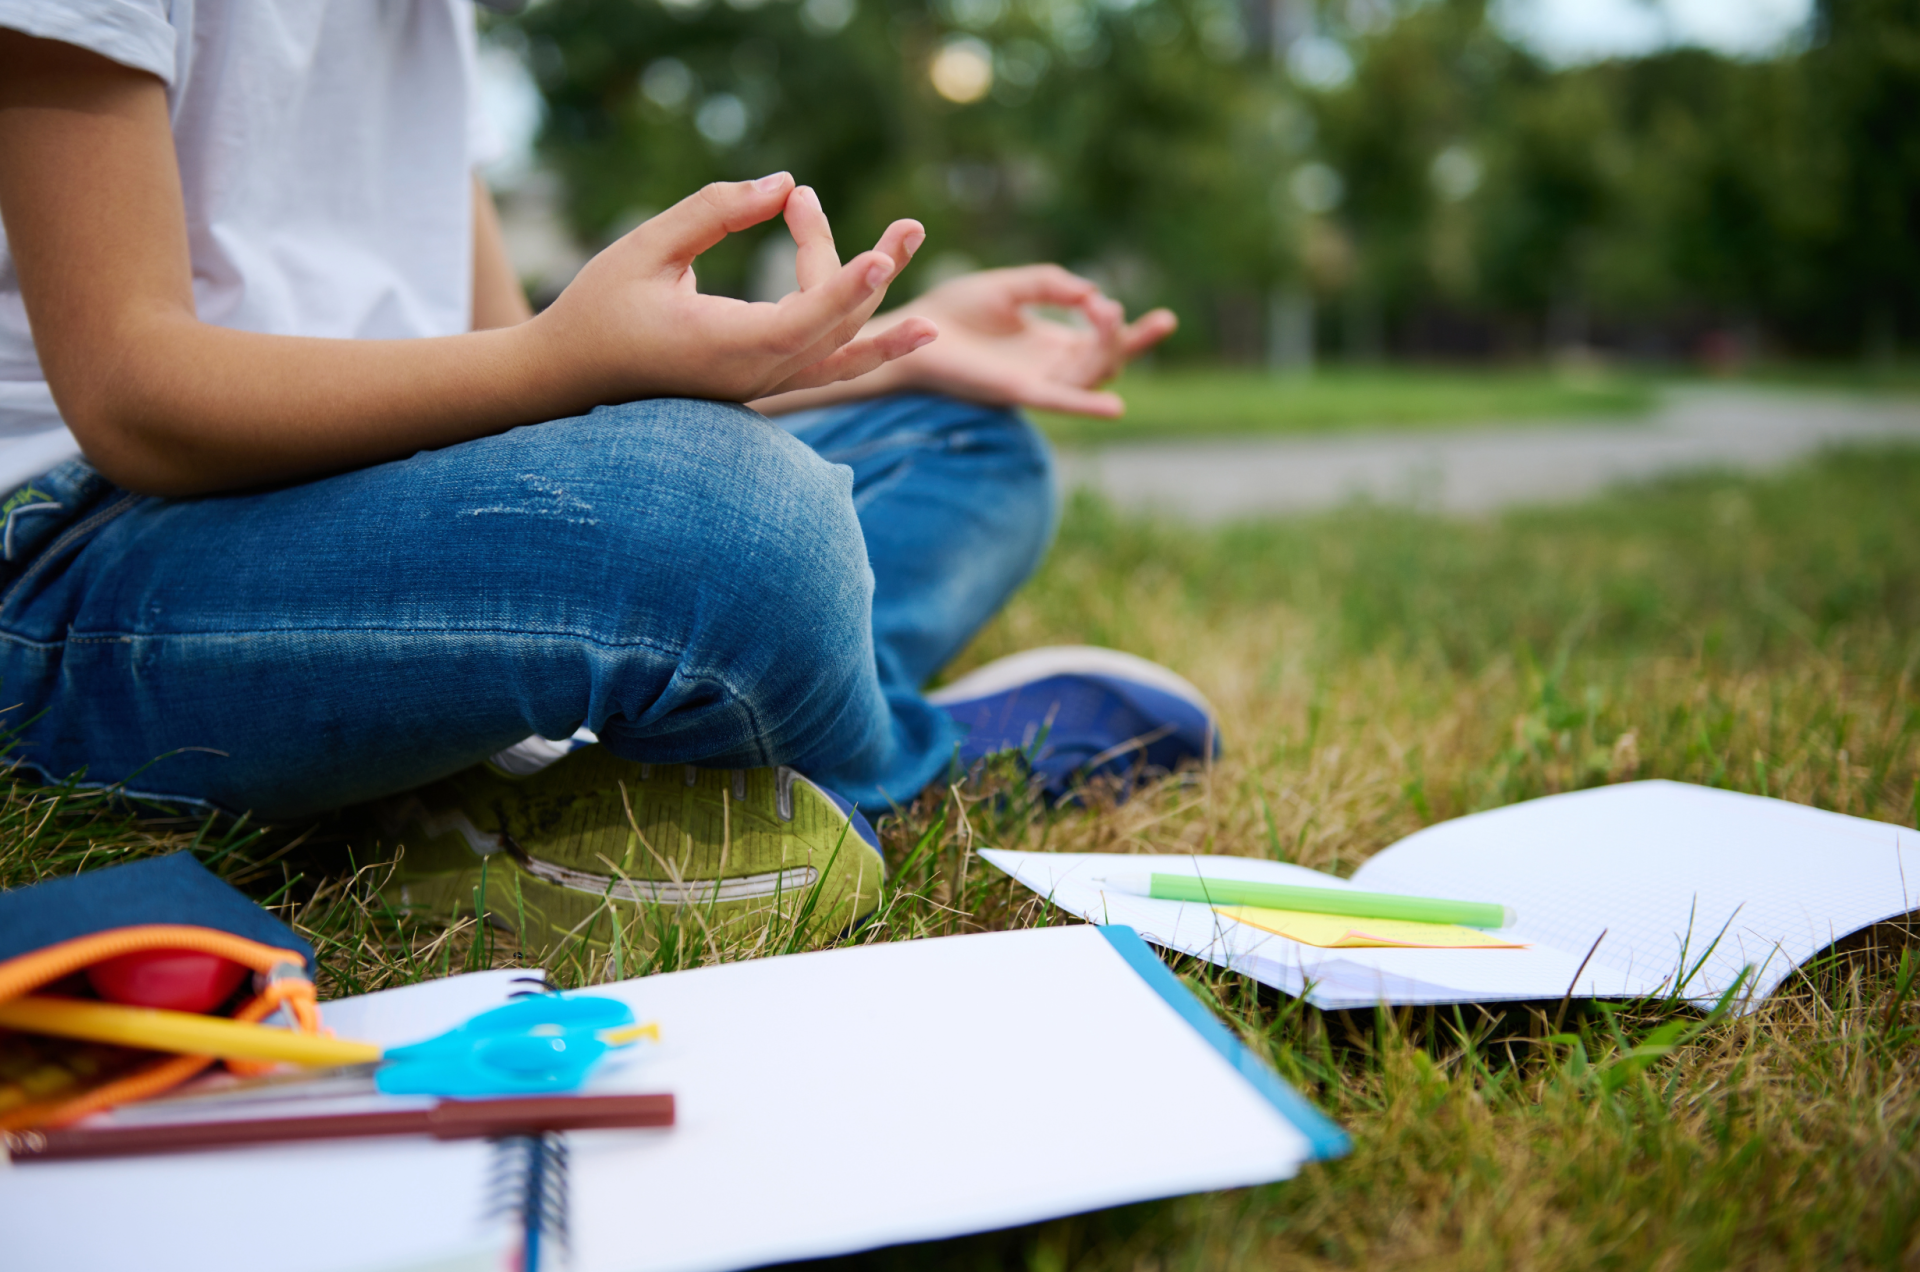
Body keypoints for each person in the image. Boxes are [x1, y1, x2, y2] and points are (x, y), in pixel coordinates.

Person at [0, 0, 1218, 955]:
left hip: (367, 489)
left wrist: (889, 356)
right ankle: (901, 767)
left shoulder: (433, 20)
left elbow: (508, 390)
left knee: (967, 441)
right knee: (735, 520)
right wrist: (558, 359)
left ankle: (621, 756)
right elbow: (128, 396)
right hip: (90, 564)